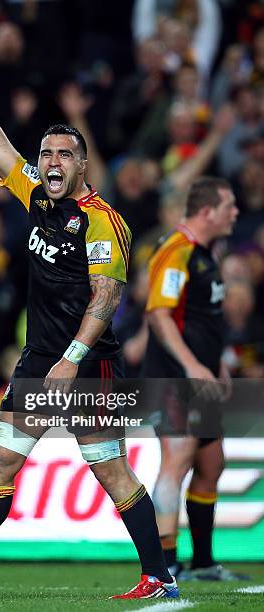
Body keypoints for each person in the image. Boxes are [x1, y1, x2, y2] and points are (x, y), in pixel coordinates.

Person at [0, 34, 179, 601]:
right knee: (0, 457)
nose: (51, 163)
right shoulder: (37, 197)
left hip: (87, 363)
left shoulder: (103, 222)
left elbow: (105, 300)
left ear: (83, 164)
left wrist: (71, 358)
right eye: (46, 154)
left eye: (63, 155)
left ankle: (159, 576)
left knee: (108, 469)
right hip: (40, 359)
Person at [142, 176, 248, 580]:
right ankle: (164, 562)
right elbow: (158, 315)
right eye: (229, 206)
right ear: (207, 211)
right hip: (173, 378)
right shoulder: (176, 250)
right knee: (177, 461)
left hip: (200, 379)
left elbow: (203, 320)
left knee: (211, 463)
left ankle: (203, 562)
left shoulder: (204, 253)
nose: (235, 213)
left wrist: (216, 365)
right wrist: (191, 366)